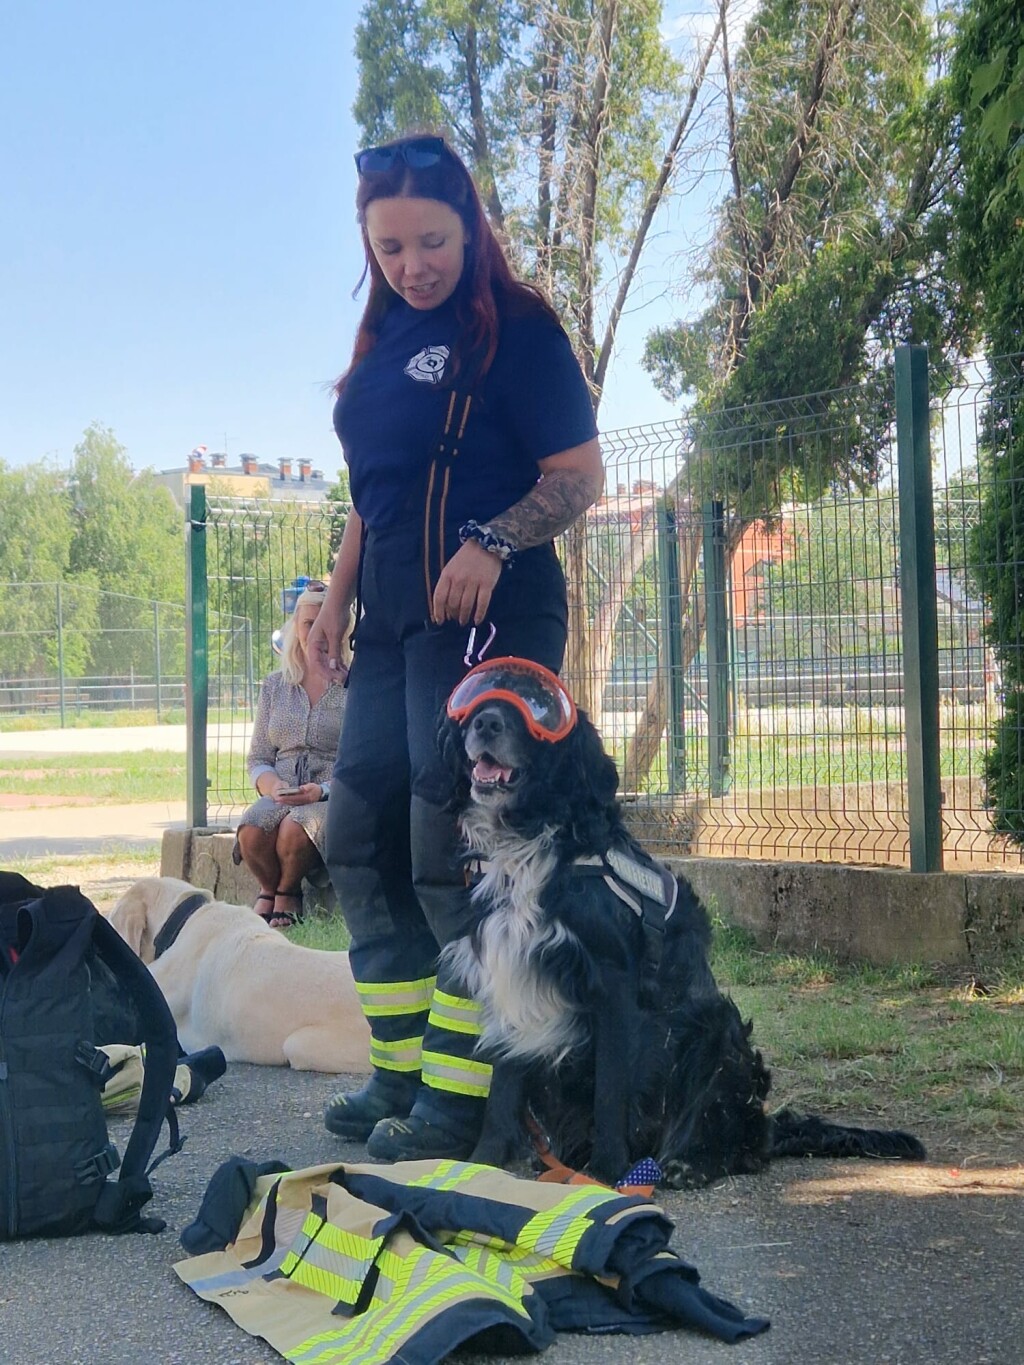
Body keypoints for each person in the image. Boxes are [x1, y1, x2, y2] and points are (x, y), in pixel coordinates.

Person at [307, 131, 603, 1161]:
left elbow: (577, 474)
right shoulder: (380, 348)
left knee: (452, 857)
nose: (411, 265)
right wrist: (329, 606)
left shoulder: (517, 331)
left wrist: (492, 537)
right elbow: (368, 501)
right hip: (392, 621)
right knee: (356, 839)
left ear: (469, 227)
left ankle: (462, 1099)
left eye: (431, 241)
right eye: (388, 248)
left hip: (492, 616)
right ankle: (399, 1071)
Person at [234, 583, 348, 929]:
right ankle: (269, 889)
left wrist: (322, 790)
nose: (316, 632)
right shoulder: (275, 685)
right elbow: (258, 758)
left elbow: (360, 760)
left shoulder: (354, 683)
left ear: (344, 628)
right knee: (252, 828)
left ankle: (287, 892)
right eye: (308, 623)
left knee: (294, 828)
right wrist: (272, 786)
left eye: (326, 622)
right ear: (295, 628)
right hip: (281, 788)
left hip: (331, 792)